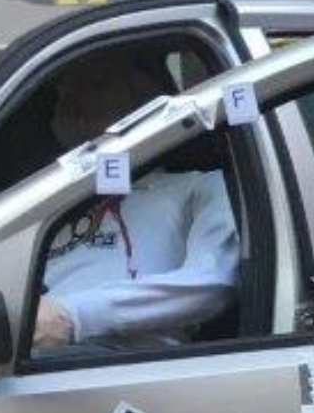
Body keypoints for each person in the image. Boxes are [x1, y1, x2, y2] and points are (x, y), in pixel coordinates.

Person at [32, 58, 240, 354]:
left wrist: (74, 316)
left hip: (112, 360)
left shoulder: (200, 186)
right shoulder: (43, 200)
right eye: (62, 93)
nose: (70, 100)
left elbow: (213, 282)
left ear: (143, 99)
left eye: (95, 85)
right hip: (16, 352)